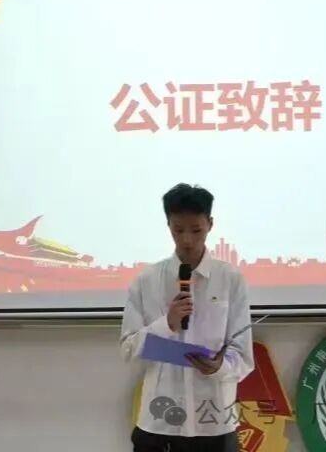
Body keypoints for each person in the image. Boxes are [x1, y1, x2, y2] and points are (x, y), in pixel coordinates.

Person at [120, 183, 254, 452]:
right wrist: (166, 324)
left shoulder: (230, 279)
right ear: (168, 225)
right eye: (178, 230)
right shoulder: (147, 281)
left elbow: (242, 355)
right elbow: (128, 349)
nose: (187, 240)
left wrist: (219, 367)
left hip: (214, 419)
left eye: (196, 230)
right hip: (160, 420)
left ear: (210, 224)